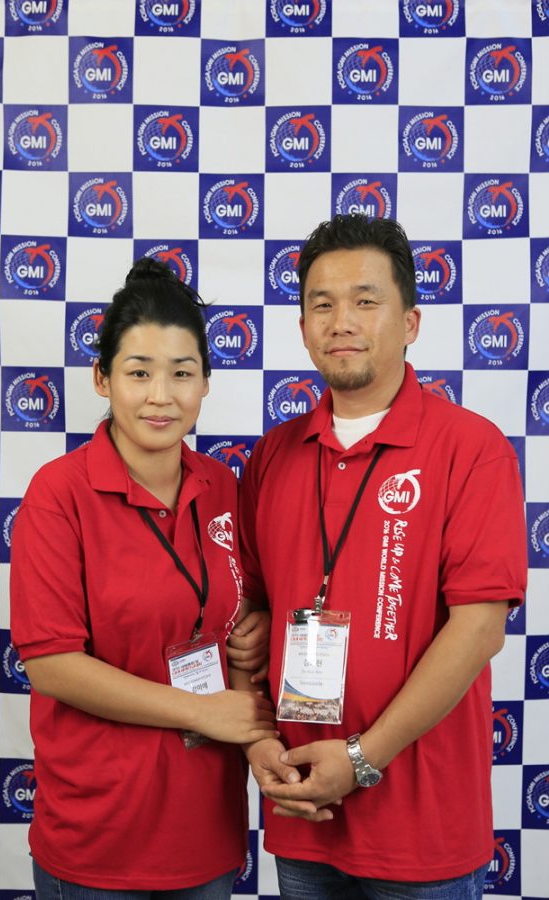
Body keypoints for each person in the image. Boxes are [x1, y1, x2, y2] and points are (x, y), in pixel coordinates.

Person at [239, 214, 527, 900]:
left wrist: (363, 759)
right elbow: (246, 616)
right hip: (302, 811)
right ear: (303, 326)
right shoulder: (273, 455)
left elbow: (480, 629)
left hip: (423, 831)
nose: (342, 322)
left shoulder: (472, 449)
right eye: (322, 305)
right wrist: (256, 742)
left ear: (411, 323)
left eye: (366, 301)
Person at [9, 258, 275, 899]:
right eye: (138, 372)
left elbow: (239, 608)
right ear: (102, 379)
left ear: (205, 382)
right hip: (99, 834)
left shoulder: (223, 486)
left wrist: (258, 627)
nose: (161, 395)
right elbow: (53, 666)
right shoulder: (59, 494)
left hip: (206, 829)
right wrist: (203, 712)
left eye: (182, 373)